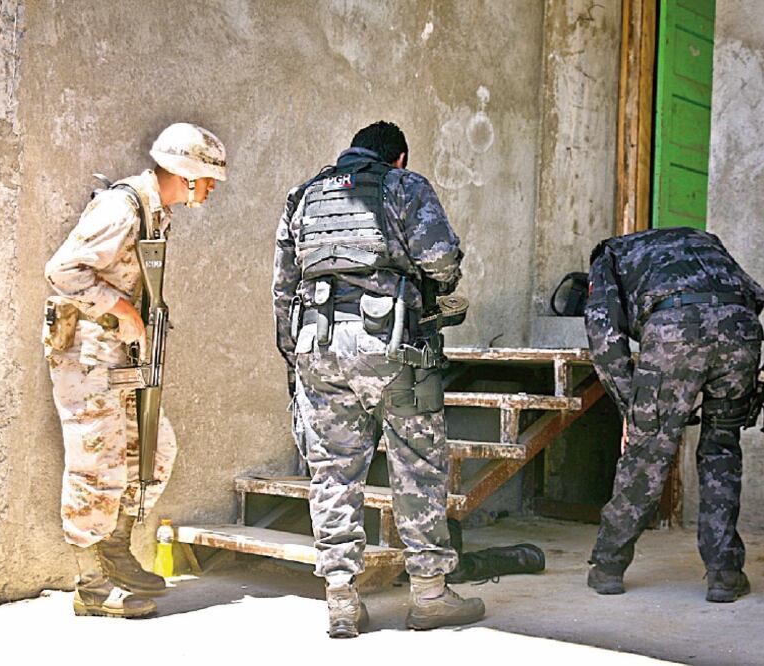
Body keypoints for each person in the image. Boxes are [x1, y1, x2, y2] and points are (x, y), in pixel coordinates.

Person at [271, 121, 485, 637]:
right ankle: (430, 596)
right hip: (392, 349)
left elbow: (283, 286)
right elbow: (440, 259)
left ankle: (342, 600)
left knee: (334, 473)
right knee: (417, 467)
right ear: (400, 158)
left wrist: (294, 356)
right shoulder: (404, 187)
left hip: (317, 348)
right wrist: (440, 284)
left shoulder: (303, 195)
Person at [43, 122, 226, 617]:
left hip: (121, 360)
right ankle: (91, 587)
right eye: (208, 179)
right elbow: (62, 271)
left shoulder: (155, 213)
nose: (210, 188)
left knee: (153, 452)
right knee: (93, 467)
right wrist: (121, 309)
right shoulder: (121, 209)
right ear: (186, 175)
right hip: (88, 360)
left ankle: (116, 553)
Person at [584, 226, 764, 603]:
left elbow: (604, 336)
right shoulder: (704, 239)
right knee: (722, 448)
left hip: (674, 330)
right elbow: (756, 294)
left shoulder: (609, 254)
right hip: (741, 327)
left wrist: (630, 409)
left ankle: (608, 566)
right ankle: (725, 574)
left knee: (648, 454)